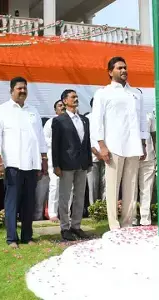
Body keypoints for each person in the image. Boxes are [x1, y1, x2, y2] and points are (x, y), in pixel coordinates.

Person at [89, 56, 148, 230]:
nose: (123, 71)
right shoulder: (103, 93)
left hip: (134, 145)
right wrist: (102, 146)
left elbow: (142, 120)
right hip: (113, 146)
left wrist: (143, 143)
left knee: (131, 186)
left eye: (125, 68)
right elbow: (96, 122)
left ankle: (128, 223)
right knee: (112, 187)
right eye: (119, 68)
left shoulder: (136, 93)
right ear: (110, 72)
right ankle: (114, 225)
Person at [0, 76, 48, 249]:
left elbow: (40, 137)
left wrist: (43, 159)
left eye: (25, 88)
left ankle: (27, 236)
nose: (22, 91)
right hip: (12, 164)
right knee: (12, 203)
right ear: (11, 90)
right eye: (19, 88)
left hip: (31, 164)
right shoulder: (2, 110)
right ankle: (11, 238)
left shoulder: (33, 111)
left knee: (29, 202)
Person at [52, 89, 92, 241]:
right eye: (72, 97)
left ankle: (76, 225)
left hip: (82, 164)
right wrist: (56, 165)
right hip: (66, 164)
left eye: (76, 97)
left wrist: (88, 162)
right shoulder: (59, 120)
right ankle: (64, 227)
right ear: (64, 100)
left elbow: (87, 142)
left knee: (80, 196)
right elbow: (55, 145)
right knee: (65, 196)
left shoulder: (84, 120)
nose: (76, 99)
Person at [43, 99, 68, 222]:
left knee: (70, 186)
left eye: (63, 105)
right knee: (55, 185)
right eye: (59, 105)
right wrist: (59, 144)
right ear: (55, 110)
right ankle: (52, 213)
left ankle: (66, 213)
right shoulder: (50, 122)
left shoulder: (71, 121)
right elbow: (45, 139)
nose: (62, 107)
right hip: (54, 157)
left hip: (69, 158)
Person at [137, 110, 156, 225]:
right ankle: (132, 218)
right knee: (131, 189)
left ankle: (145, 219)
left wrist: (158, 155)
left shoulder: (149, 115)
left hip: (149, 156)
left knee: (147, 189)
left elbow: (154, 135)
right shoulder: (127, 112)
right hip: (131, 156)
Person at [87, 97, 106, 206]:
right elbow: (86, 140)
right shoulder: (88, 119)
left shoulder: (106, 118)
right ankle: (94, 209)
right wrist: (97, 153)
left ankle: (104, 208)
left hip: (107, 157)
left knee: (105, 184)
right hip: (93, 158)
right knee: (93, 185)